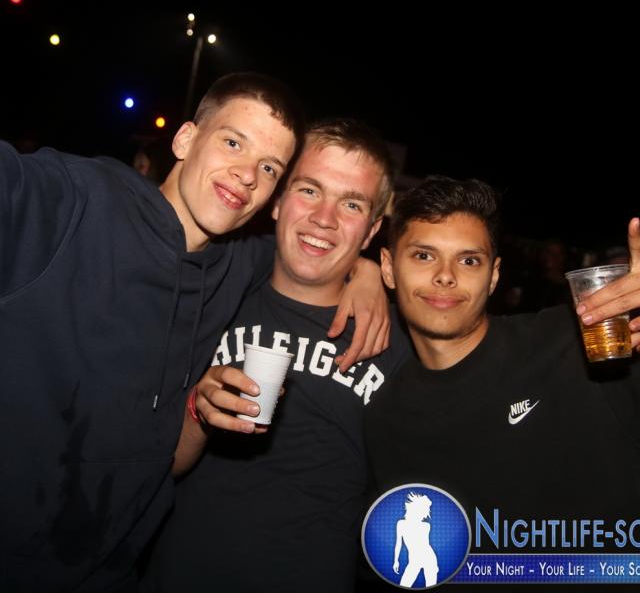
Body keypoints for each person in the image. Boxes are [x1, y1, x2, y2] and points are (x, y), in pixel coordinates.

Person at [0, 74, 389, 592]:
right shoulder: (75, 200)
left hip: (109, 572)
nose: (246, 174)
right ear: (185, 139)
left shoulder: (237, 264)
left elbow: (313, 244)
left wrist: (366, 270)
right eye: (233, 142)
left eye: (268, 168)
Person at [141, 119, 411, 593]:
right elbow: (149, 468)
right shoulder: (214, 294)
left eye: (351, 204)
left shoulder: (394, 341)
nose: (324, 218)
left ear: (371, 231)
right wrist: (199, 411)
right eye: (309, 190)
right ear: (278, 201)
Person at [365, 175, 640, 591]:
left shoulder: (579, 339)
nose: (445, 276)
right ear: (387, 267)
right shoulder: (383, 416)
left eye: (468, 261)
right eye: (423, 255)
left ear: (494, 276)